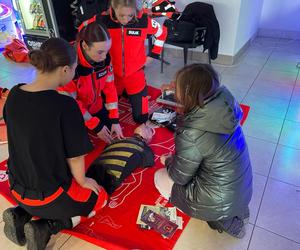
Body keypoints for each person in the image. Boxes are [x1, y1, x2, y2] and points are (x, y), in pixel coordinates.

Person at [2, 38, 108, 250]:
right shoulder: (65, 104)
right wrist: (83, 180)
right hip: (50, 195)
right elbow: (76, 156)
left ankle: (21, 213)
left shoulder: (13, 93)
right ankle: (49, 226)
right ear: (66, 70)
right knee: (101, 198)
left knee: (42, 193)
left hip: (16, 186)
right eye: (75, 69)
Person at [154, 64, 253, 239]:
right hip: (240, 191)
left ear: (187, 94)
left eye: (177, 87)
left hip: (217, 201)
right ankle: (226, 211)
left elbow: (179, 177)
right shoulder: (224, 106)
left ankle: (218, 218)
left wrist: (168, 161)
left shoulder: (192, 132)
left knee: (160, 176)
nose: (174, 89)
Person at [92, 0, 167, 124]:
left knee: (141, 118)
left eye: (130, 15)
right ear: (113, 8)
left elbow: (162, 33)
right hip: (111, 77)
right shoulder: (101, 20)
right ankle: (123, 93)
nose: (126, 20)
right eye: (121, 15)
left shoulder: (143, 21)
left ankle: (129, 94)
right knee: (105, 119)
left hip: (135, 75)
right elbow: (82, 30)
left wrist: (154, 55)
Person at [57, 20, 123, 144]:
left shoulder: (105, 60)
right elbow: (72, 104)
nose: (104, 57)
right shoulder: (69, 64)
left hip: (95, 106)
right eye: (100, 52)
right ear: (85, 46)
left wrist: (114, 119)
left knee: (111, 132)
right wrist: (95, 125)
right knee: (79, 146)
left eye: (107, 51)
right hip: (73, 112)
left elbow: (110, 89)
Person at [89, 123, 155, 194]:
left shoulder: (116, 140)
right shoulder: (141, 148)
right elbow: (149, 161)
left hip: (89, 173)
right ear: (147, 138)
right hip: (106, 181)